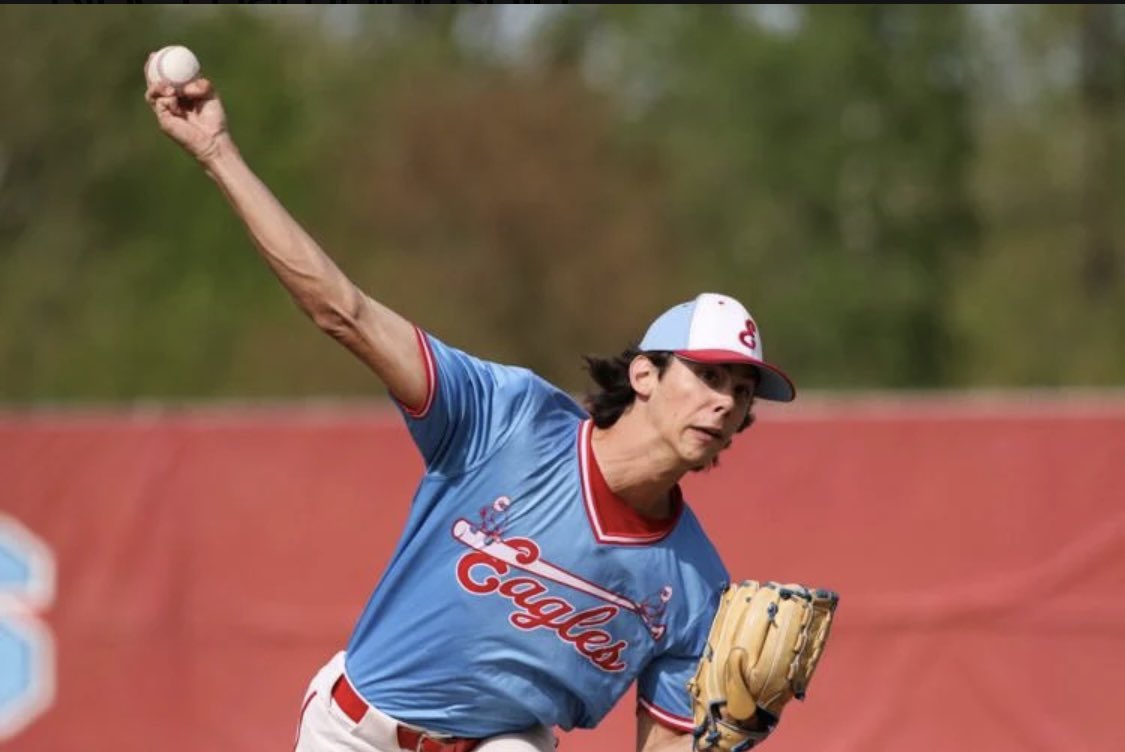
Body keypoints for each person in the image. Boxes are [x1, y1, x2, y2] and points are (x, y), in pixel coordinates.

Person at [144, 59, 796, 752]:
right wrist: (217, 153)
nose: (725, 402)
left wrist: (726, 732)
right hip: (354, 734)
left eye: (742, 390)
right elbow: (344, 312)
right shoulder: (507, 421)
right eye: (707, 376)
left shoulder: (697, 587)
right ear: (642, 374)